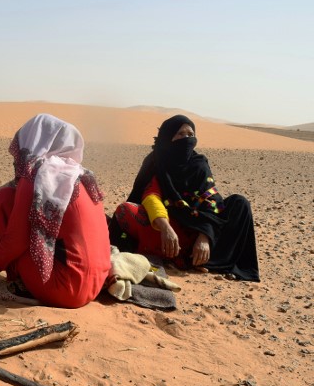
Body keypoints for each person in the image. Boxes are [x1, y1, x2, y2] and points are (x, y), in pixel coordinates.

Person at [0, 113, 112, 308]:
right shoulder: (81, 175)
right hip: (94, 286)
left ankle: (21, 284)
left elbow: (17, 240)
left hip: (62, 289)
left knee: (2, 199)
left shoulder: (37, 175)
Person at [109, 115, 259, 281]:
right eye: (180, 134)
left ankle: (203, 259)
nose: (187, 139)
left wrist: (205, 236)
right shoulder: (156, 162)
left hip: (197, 226)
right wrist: (166, 227)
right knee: (125, 210)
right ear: (168, 137)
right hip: (165, 225)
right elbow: (151, 197)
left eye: (190, 134)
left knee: (239, 204)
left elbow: (211, 201)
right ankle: (180, 256)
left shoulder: (199, 164)